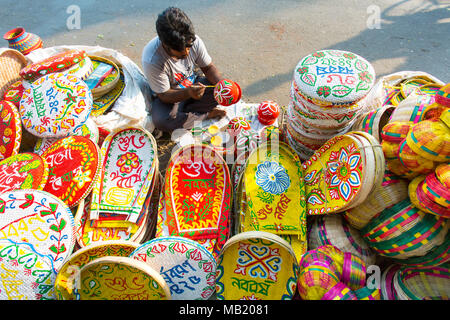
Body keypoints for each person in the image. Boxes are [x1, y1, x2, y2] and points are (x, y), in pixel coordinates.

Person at [142, 7, 227, 133]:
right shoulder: (152, 58)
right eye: (180, 51)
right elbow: (164, 95)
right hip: (170, 96)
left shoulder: (194, 41)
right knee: (162, 121)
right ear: (165, 44)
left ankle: (189, 114)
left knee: (220, 92)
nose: (186, 52)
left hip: (194, 84)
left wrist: (224, 86)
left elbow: (208, 68)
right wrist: (188, 93)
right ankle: (205, 115)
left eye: (188, 46)